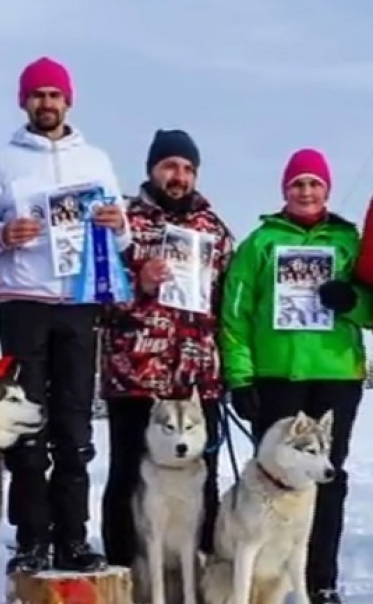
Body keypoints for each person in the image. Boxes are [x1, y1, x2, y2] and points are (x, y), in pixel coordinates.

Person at [0, 57, 131, 573]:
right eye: (38, 95)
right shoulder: (3, 160)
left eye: (55, 94)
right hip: (24, 305)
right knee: (25, 427)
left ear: (69, 102)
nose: (47, 103)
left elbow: (120, 236)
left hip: (79, 307)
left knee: (74, 431)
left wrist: (117, 224)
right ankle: (32, 540)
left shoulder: (96, 160)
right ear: (24, 102)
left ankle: (74, 540)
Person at [221, 148, 372, 604]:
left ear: (326, 189)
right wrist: (240, 378)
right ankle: (258, 578)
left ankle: (320, 580)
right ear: (284, 190)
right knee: (271, 482)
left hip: (335, 374)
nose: (306, 192)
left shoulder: (347, 241)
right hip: (276, 377)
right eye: (297, 184)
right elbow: (235, 315)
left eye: (315, 184)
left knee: (324, 476)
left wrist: (352, 301)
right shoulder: (260, 243)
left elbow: (371, 307)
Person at [98, 129, 233, 569]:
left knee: (203, 479)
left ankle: (200, 572)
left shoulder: (215, 230)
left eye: (188, 168)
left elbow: (229, 305)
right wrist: (137, 284)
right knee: (126, 476)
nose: (179, 176)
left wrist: (231, 369)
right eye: (170, 166)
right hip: (136, 372)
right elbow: (96, 300)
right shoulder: (123, 222)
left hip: (197, 377)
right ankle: (122, 569)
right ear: (152, 169)